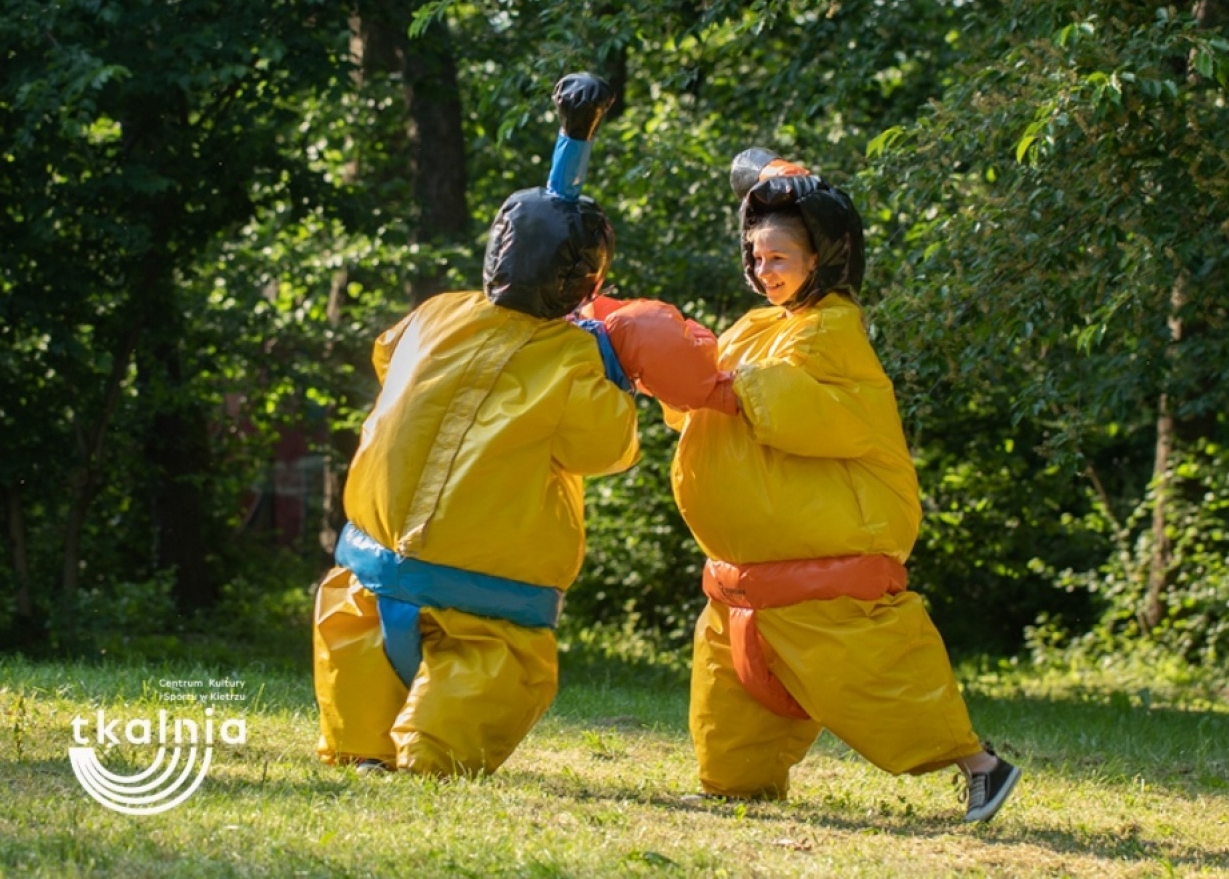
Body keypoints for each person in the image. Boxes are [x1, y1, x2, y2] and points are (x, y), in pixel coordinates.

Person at [656, 147, 1022, 823]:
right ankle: (737, 781)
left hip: (826, 570)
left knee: (879, 684)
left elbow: (811, 410)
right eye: (757, 259)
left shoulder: (833, 331)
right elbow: (697, 392)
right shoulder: (756, 327)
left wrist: (722, 386)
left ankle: (982, 767)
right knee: (731, 689)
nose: (764, 273)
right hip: (744, 578)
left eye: (780, 260)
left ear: (819, 258)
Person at [312, 78, 643, 776]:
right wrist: (617, 372)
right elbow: (605, 448)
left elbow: (383, 354)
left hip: (372, 566)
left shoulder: (436, 314)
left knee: (357, 651)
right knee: (490, 676)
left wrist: (574, 134)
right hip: (486, 591)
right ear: (582, 284)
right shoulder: (574, 359)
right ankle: (434, 751)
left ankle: (361, 741)